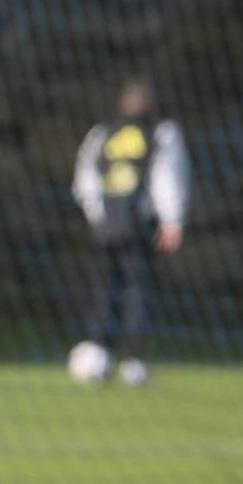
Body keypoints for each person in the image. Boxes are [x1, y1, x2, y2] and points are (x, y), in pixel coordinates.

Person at [71, 76, 189, 387]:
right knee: (137, 290)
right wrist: (172, 221)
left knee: (107, 289)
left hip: (109, 225)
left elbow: (85, 180)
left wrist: (97, 216)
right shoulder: (161, 133)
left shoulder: (103, 134)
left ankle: (100, 355)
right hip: (138, 225)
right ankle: (132, 362)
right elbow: (168, 179)